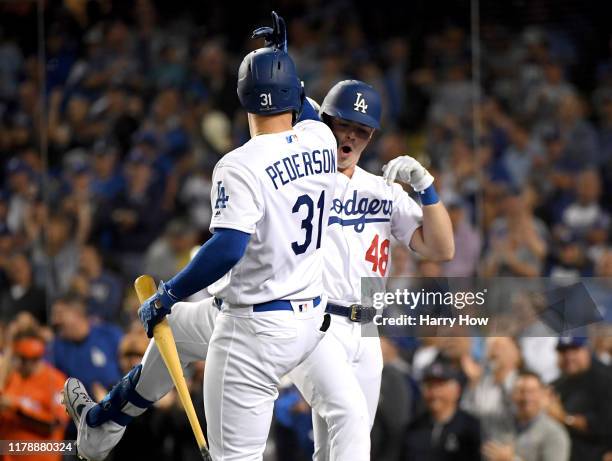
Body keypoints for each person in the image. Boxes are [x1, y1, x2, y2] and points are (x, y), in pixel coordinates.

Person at [62, 38, 337, 461]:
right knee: (182, 328)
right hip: (306, 318)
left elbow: (228, 247)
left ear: (243, 97)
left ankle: (105, 429)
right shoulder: (322, 139)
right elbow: (309, 108)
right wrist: (283, 62)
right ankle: (104, 424)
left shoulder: (238, 164)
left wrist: (167, 292)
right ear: (295, 94)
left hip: (254, 331)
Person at [0, 327, 69, 461]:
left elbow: (52, 426)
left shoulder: (56, 381)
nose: (17, 364)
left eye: (22, 359)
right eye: (16, 358)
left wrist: (16, 409)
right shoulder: (14, 377)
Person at [482, 371, 570, 461]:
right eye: (520, 391)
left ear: (543, 394)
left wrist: (512, 459)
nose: (526, 398)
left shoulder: (554, 433)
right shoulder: (497, 424)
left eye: (532, 392)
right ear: (512, 394)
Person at [402, 361, 482, 461]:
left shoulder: (471, 427)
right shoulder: (413, 427)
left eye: (440, 386)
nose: (434, 393)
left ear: (457, 390)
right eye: (429, 386)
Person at [549, 336, 612, 461]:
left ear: (587, 350)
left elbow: (604, 424)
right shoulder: (556, 385)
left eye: (574, 350)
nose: (569, 357)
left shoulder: (606, 379)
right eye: (563, 351)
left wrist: (564, 418)